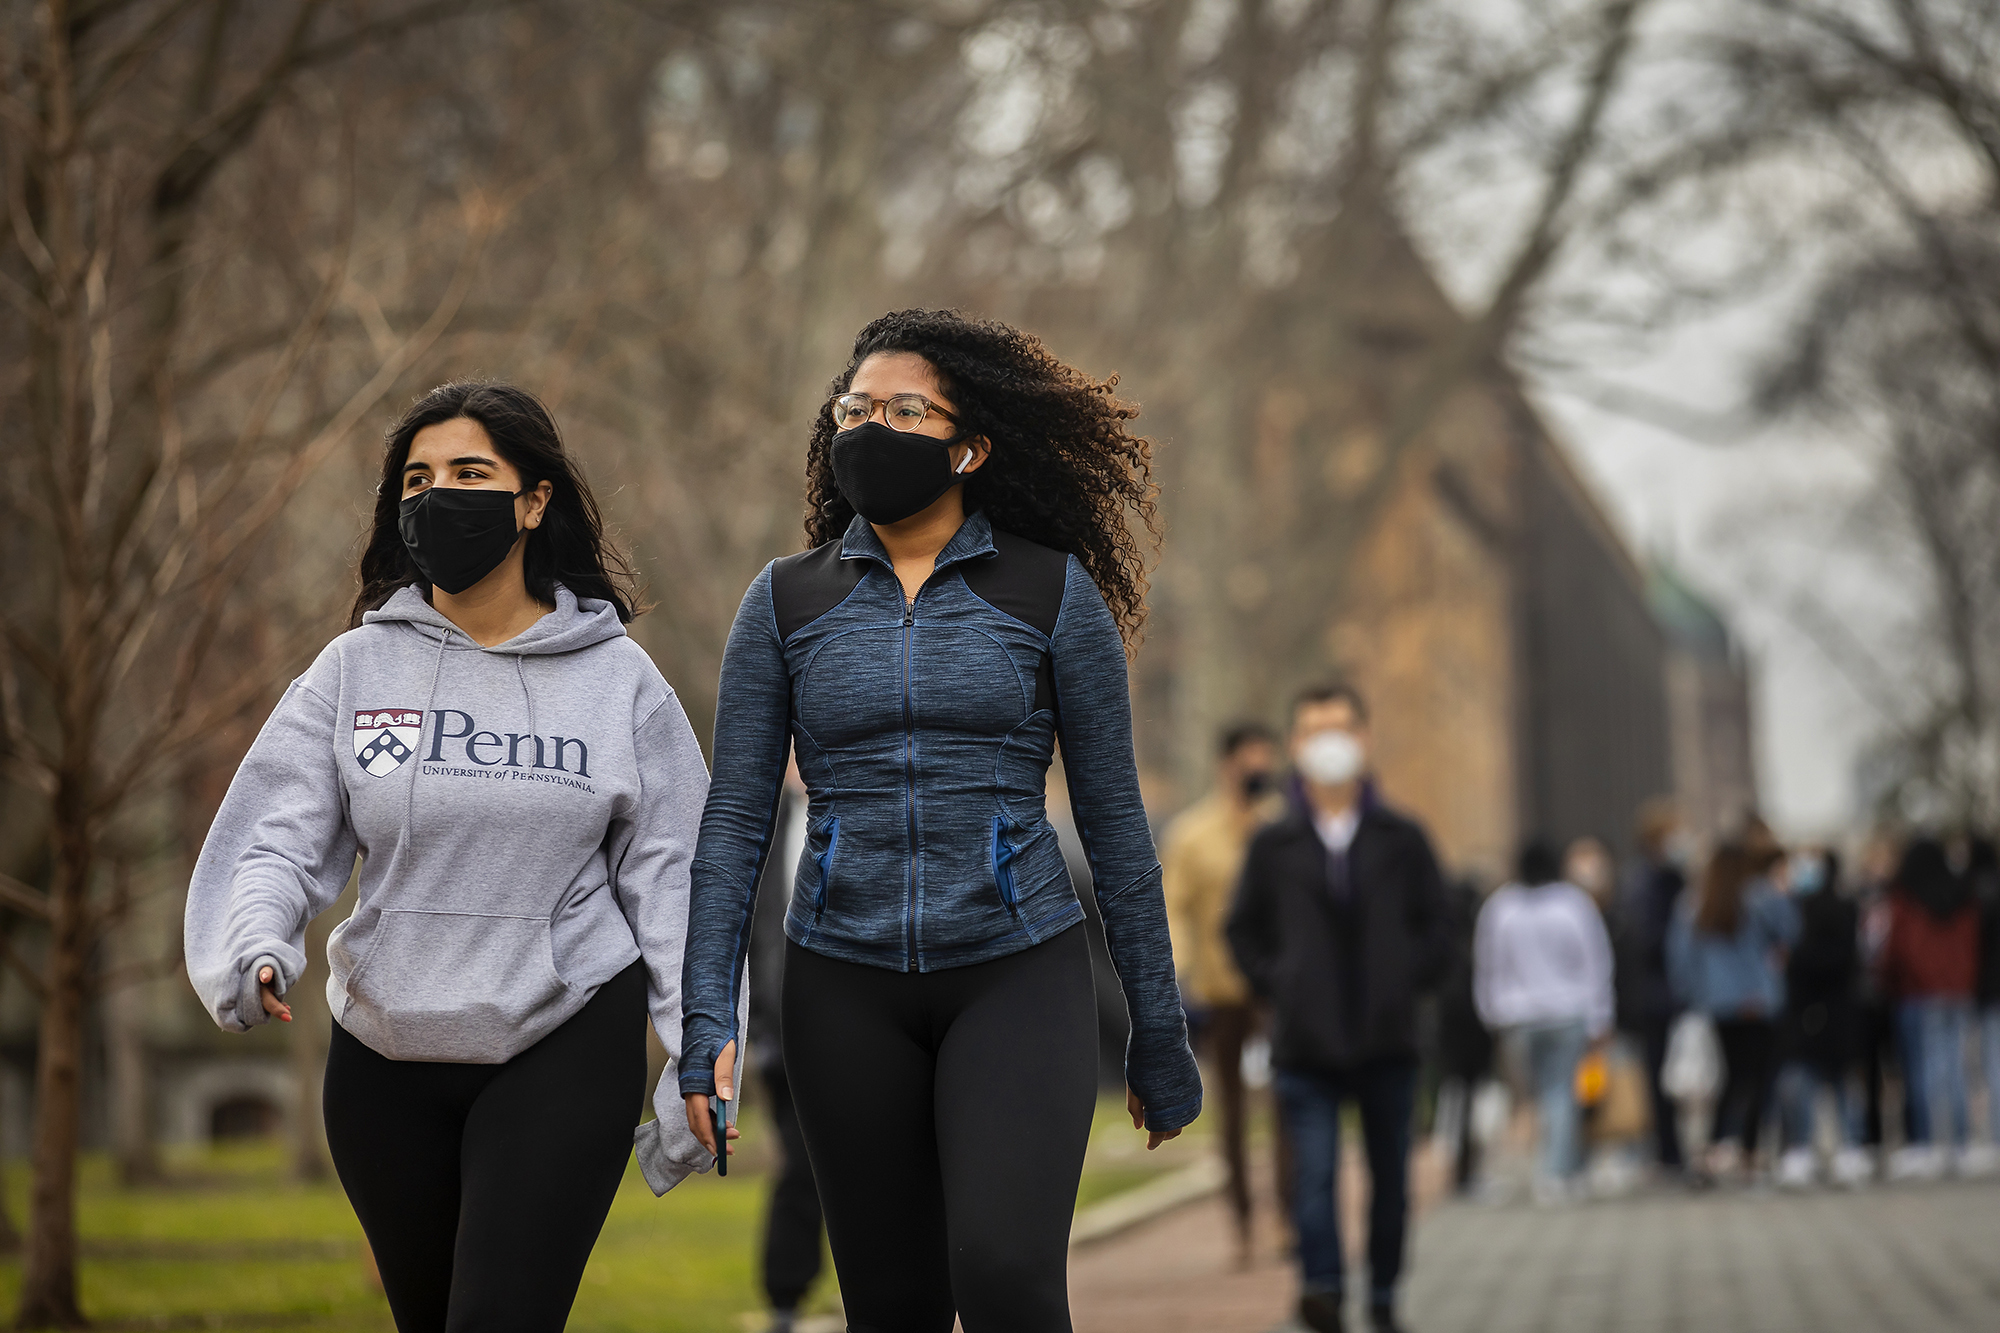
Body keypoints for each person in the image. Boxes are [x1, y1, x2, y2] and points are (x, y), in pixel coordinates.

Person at [677, 309, 1201, 1333]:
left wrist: (1159, 1027)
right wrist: (709, 1022)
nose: (873, 425)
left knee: (1004, 1276)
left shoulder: (1051, 591)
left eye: (904, 408)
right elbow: (734, 822)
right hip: (842, 981)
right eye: (854, 408)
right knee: (894, 1305)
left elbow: (1116, 826)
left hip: (1016, 969)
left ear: (968, 445)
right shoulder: (782, 604)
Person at [183, 382, 714, 1331]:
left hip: (562, 1033)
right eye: (417, 479)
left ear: (534, 500)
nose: (438, 496)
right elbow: (276, 833)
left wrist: (701, 1049)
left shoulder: (620, 682)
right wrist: (255, 938)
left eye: (471, 473)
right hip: (385, 1054)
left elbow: (676, 880)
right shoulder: (353, 671)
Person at [1227, 683, 1450, 1333]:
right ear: (1295, 746)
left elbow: (1439, 926)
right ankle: (1322, 1287)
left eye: (1341, 726)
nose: (1329, 740)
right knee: (1315, 1175)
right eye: (1314, 729)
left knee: (1390, 1182)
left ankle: (1382, 1293)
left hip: (1388, 1038)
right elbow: (1243, 931)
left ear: (1363, 737)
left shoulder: (1401, 836)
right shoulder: (1275, 845)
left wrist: (1405, 978)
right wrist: (1282, 982)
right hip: (1307, 1043)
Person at [1161, 721, 1281, 1264]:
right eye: (1249, 760)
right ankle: (1242, 1224)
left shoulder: (1282, 830)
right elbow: (1174, 908)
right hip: (1220, 990)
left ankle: (1289, 1217)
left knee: (1288, 1103)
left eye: (1265, 760)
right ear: (1226, 764)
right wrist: (1180, 975)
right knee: (1230, 1111)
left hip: (1277, 990)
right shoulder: (1191, 834)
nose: (1258, 770)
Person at [1474, 840, 1616, 1202]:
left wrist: (1490, 1011)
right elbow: (1595, 961)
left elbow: (1489, 964)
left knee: (1534, 1095)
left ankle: (1553, 1165)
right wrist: (1601, 1015)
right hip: (1567, 1012)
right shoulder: (1572, 904)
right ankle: (1556, 1172)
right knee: (1561, 1093)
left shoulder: (1501, 907)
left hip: (1517, 1016)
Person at [1667, 840, 1800, 1180]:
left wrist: (1697, 996)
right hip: (1757, 999)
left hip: (1718, 1003)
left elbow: (1680, 960)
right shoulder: (1758, 898)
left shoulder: (1694, 903)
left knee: (1729, 1080)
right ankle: (1749, 1151)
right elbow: (1792, 932)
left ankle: (1711, 1150)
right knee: (1757, 1080)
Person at [746, 762, 822, 1330]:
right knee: (803, 1166)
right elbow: (748, 925)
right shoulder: (764, 824)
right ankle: (785, 1300)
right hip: (785, 1028)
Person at [1773, 848, 1870, 1187]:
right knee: (1838, 1081)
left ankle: (1806, 1148)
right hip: (1837, 1009)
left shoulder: (1804, 911)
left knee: (1807, 1079)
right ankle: (1847, 1146)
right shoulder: (1843, 907)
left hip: (1811, 1010)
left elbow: (1806, 959)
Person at [1883, 836, 1980, 1179]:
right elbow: (1971, 945)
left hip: (1917, 994)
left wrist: (1896, 982)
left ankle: (1926, 1144)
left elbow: (1897, 948)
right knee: (1954, 1069)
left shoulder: (1906, 896)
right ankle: (1960, 1145)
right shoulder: (1964, 894)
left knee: (1923, 1072)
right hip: (1957, 991)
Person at [1615, 798, 1691, 1176]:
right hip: (1656, 998)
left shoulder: (1671, 878)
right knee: (1662, 1079)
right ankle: (1668, 1153)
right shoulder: (1646, 882)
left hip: (1670, 995)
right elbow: (1648, 939)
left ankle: (1673, 1151)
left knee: (1676, 1078)